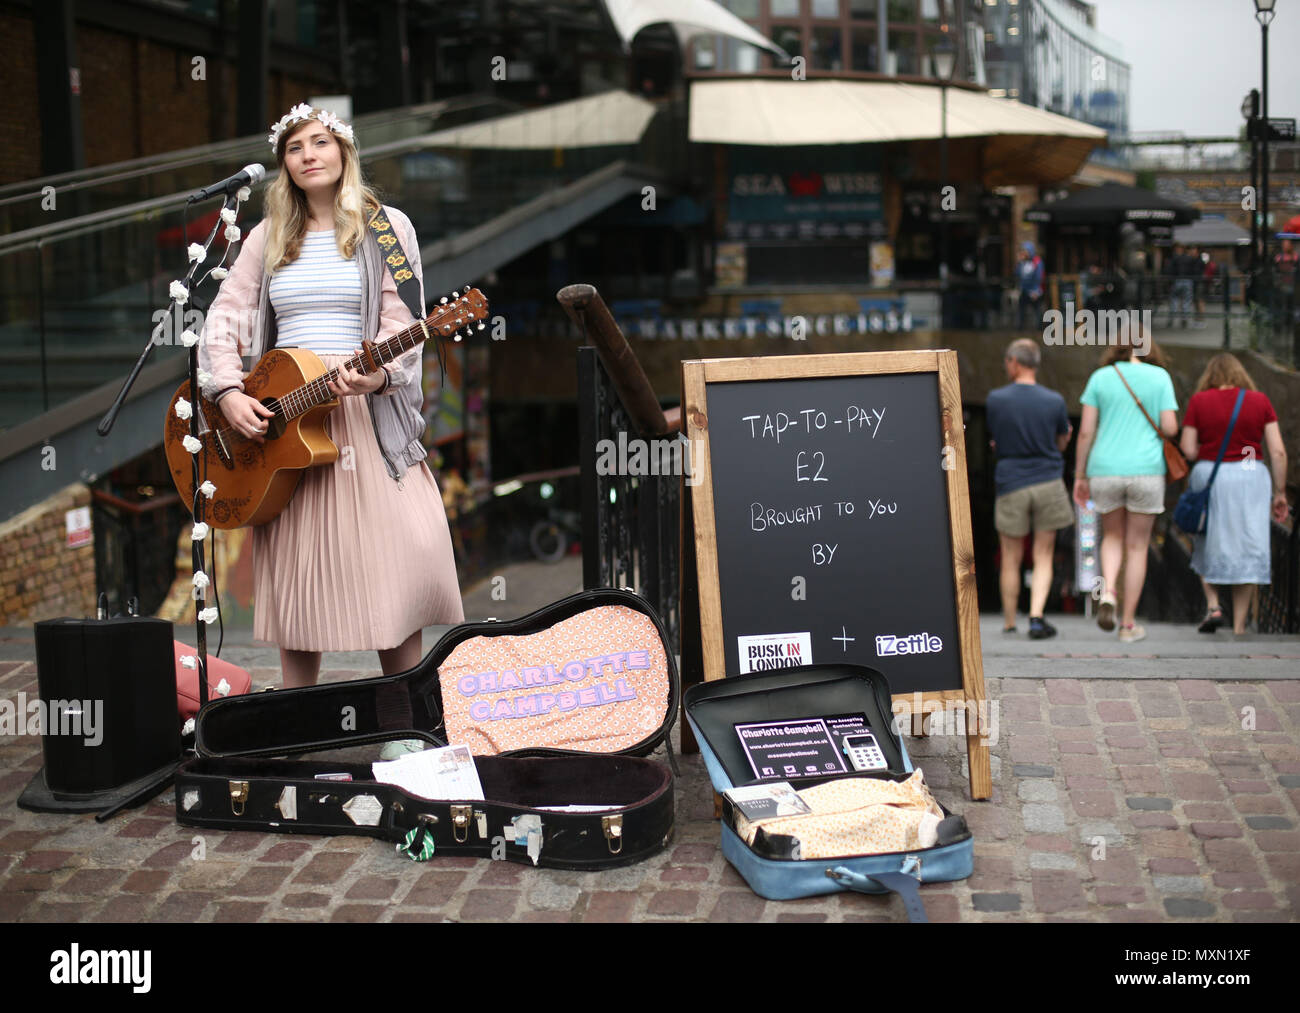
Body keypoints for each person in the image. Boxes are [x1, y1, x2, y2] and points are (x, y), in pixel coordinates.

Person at [199, 104, 464, 688]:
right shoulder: (268, 237)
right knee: (301, 593)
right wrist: (225, 391)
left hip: (363, 422)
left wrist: (379, 375)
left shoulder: (388, 226)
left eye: (319, 142)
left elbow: (404, 320)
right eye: (294, 148)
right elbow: (227, 316)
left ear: (344, 151)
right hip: (285, 431)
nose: (308, 155)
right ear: (284, 165)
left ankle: (404, 728)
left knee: (394, 576)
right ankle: (296, 727)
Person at [1072, 337, 1179, 643]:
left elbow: (1085, 432)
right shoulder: (1160, 377)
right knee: (1137, 546)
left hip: (1104, 469)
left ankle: (1107, 592)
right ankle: (1128, 625)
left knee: (1113, 537)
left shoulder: (1100, 378)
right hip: (1146, 470)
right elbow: (1170, 428)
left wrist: (1080, 474)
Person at [1179, 354, 1289, 635]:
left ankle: (1214, 604)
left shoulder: (1199, 401)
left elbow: (1189, 448)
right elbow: (1277, 451)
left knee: (1205, 537)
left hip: (1211, 476)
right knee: (1249, 543)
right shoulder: (1259, 401)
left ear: (1210, 376)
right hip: (1250, 474)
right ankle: (1240, 627)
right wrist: (1280, 492)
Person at [986, 339, 1074, 639]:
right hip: (1048, 482)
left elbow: (995, 442)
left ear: (1014, 362)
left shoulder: (996, 400)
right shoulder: (1054, 401)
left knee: (1010, 556)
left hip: (1011, 482)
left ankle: (1010, 620)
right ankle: (1036, 616)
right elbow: (1061, 443)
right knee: (1043, 554)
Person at [1015, 242, 1044, 330]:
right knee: (1021, 310)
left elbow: (1039, 277)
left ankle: (1040, 329)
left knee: (1037, 311)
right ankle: (1020, 328)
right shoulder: (1022, 263)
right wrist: (1019, 263)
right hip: (1024, 290)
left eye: (1025, 251)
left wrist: (1036, 290)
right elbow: (1017, 274)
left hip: (1034, 291)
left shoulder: (1037, 261)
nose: (1023, 253)